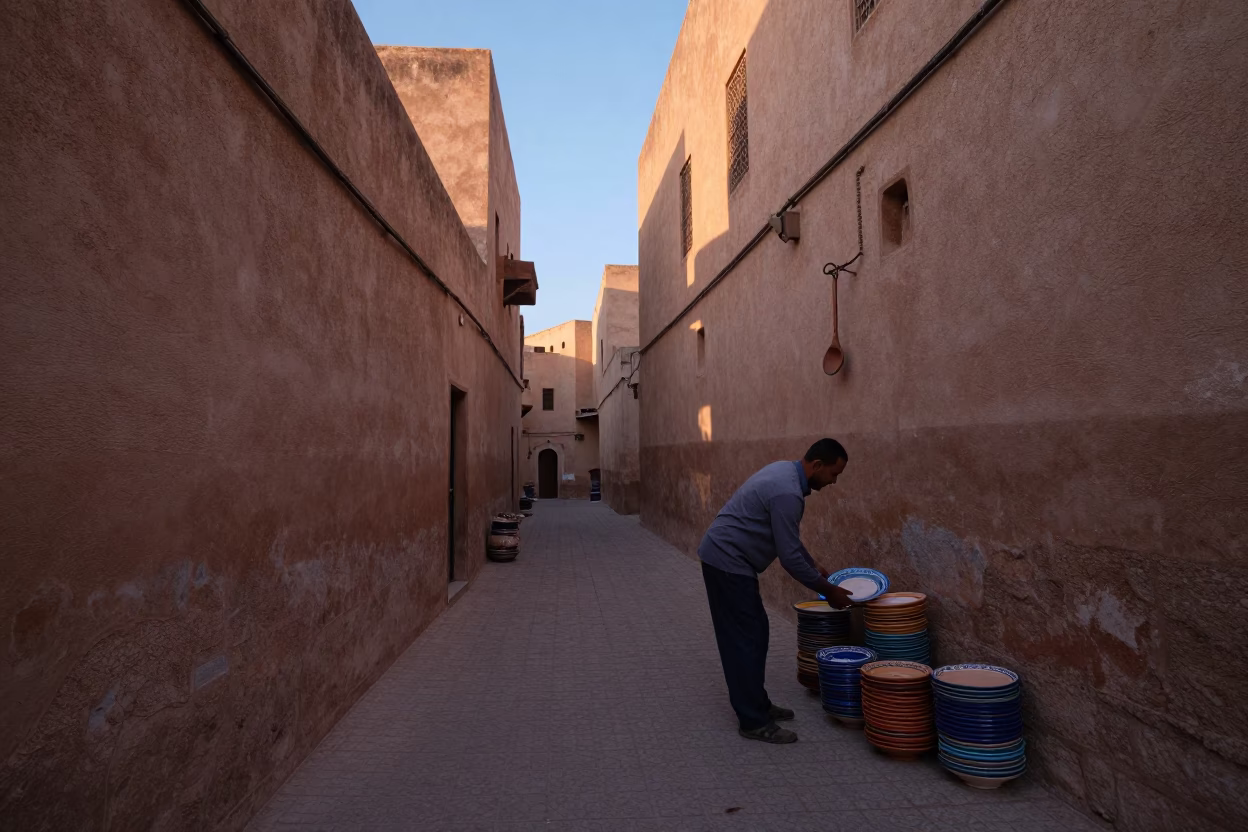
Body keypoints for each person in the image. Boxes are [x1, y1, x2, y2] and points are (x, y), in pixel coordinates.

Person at [698, 438, 851, 744]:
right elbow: (789, 558)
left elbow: (788, 540)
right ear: (817, 465)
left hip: (727, 557)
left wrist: (814, 565)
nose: (834, 481)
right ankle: (753, 720)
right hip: (727, 561)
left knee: (753, 634)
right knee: (745, 639)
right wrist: (828, 590)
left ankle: (758, 703)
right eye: (834, 474)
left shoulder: (785, 472)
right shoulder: (788, 493)